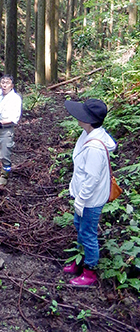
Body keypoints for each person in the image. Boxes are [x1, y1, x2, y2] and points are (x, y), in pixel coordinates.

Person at [63, 98, 116, 287]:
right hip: (84, 197)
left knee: (88, 233)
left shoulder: (94, 147)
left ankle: (90, 270)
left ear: (89, 120)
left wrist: (82, 199)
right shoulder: (88, 134)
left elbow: (92, 178)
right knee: (80, 228)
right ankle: (79, 259)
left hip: (90, 200)